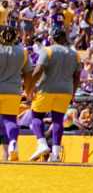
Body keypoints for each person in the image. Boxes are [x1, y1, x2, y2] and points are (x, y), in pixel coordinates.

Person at [24, 24, 79, 164]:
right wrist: (73, 91)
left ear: (53, 37)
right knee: (58, 120)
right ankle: (55, 153)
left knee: (36, 115)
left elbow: (38, 71)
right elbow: (77, 76)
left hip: (47, 89)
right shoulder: (75, 54)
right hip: (66, 90)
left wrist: (29, 88)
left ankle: (42, 143)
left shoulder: (47, 50)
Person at [0, 23, 27, 163]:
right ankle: (13, 143)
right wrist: (29, 89)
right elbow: (28, 72)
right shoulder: (21, 51)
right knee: (10, 120)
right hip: (13, 90)